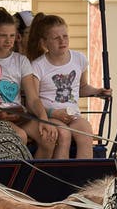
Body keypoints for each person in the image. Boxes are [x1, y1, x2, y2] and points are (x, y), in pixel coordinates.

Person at [25, 13, 109, 159]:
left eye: (65, 36)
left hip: (72, 114)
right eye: (56, 38)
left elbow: (81, 87)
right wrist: (52, 113)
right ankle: (60, 174)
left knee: (86, 131)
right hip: (51, 115)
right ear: (45, 43)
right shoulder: (38, 66)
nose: (62, 41)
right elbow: (33, 100)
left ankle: (83, 175)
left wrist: (98, 91)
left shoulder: (79, 59)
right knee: (64, 134)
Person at [0, 6, 59, 157]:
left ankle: (36, 177)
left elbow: (32, 98)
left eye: (12, 36)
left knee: (48, 137)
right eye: (2, 35)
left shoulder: (21, 60)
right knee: (20, 136)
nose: (8, 41)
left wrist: (44, 119)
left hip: (18, 114)